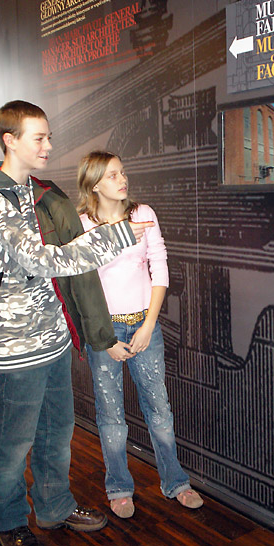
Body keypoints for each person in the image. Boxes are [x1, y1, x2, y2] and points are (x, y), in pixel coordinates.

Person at [0, 101, 152, 546]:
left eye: (49, 136)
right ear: (10, 140)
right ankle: (7, 523)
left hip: (51, 340)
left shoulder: (31, 192)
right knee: (14, 443)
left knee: (57, 433)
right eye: (39, 138)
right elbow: (43, 259)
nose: (49, 145)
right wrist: (118, 234)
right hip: (16, 347)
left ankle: (53, 507)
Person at [77, 151, 203, 519]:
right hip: (106, 332)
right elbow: (83, 285)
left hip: (144, 326)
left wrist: (149, 324)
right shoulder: (84, 225)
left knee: (159, 407)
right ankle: (118, 488)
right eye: (113, 174)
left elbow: (159, 266)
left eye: (123, 171)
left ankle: (176, 482)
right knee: (111, 412)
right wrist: (104, 338)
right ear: (96, 183)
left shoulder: (143, 215)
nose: (122, 179)